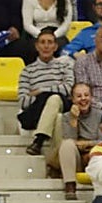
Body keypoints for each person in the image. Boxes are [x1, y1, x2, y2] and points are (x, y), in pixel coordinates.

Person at [18, 28, 74, 158]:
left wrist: (40, 91)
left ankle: (39, 140)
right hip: (37, 111)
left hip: (61, 104)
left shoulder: (64, 66)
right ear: (37, 46)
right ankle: (56, 162)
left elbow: (68, 89)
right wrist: (43, 97)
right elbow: (23, 101)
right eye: (42, 42)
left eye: (50, 42)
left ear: (55, 47)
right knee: (58, 118)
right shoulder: (27, 71)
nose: (46, 46)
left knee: (54, 99)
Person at [53, 82, 101, 199]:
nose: (83, 99)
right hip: (76, 159)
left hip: (94, 156)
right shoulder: (66, 117)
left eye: (86, 95)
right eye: (79, 96)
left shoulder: (100, 115)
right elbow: (69, 141)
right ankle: (70, 186)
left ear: (91, 97)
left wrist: (86, 143)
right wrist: (74, 119)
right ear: (73, 99)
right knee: (67, 144)